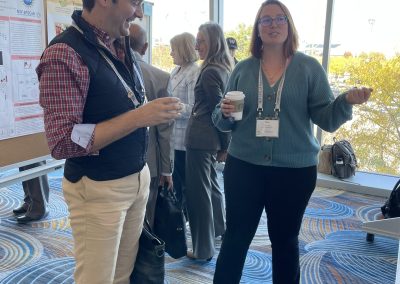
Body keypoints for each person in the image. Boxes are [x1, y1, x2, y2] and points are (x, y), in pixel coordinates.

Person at [212, 1, 372, 283]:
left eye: (279, 19)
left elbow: (327, 119)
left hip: (294, 171)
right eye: (266, 20)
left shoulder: (309, 68)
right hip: (244, 167)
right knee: (235, 239)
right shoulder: (243, 70)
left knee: (285, 242)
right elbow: (221, 117)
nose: (273, 25)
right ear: (257, 30)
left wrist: (345, 101)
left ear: (289, 25)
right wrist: (224, 114)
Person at [36, 1, 182, 283]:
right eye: (135, 3)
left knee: (122, 277)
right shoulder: (63, 54)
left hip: (137, 179)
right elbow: (62, 141)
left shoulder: (120, 42)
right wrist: (139, 117)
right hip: (98, 189)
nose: (139, 13)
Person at [184, 22, 233, 261]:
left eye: (201, 41)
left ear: (213, 42)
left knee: (198, 195)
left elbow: (220, 111)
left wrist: (226, 145)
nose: (196, 46)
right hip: (209, 139)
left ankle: (203, 249)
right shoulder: (222, 67)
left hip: (202, 139)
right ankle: (220, 230)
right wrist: (223, 143)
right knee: (211, 186)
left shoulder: (211, 70)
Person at [129, 23, 174, 229]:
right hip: (150, 164)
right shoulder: (161, 78)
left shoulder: (102, 72)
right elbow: (165, 132)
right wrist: (167, 169)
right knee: (146, 224)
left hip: (111, 167)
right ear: (145, 47)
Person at [168, 32, 199, 215]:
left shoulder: (194, 72)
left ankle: (186, 221)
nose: (171, 53)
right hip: (173, 136)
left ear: (182, 49)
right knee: (175, 183)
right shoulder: (176, 70)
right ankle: (178, 220)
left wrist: (170, 107)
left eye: (173, 49)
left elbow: (194, 108)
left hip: (184, 138)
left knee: (186, 185)